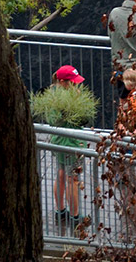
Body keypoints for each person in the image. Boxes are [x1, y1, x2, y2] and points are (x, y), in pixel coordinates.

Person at [47, 65, 90, 227]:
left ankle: (60, 211)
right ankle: (75, 216)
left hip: (58, 141)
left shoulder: (51, 94)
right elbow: (79, 118)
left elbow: (52, 121)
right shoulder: (69, 98)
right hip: (72, 143)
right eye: (73, 82)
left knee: (61, 173)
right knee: (73, 179)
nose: (77, 84)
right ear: (63, 82)